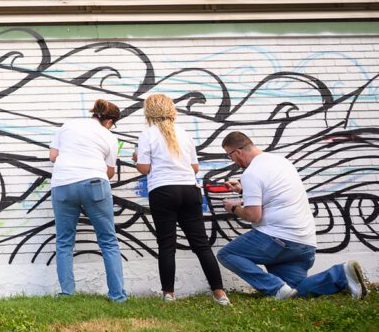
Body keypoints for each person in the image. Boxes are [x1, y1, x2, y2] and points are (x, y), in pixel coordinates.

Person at [217, 131, 368, 300]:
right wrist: (243, 190)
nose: (232, 161)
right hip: (304, 243)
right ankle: (341, 274)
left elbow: (253, 215)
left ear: (238, 152)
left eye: (229, 156)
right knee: (293, 292)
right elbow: (274, 193)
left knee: (227, 255)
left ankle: (275, 289)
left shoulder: (251, 173)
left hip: (278, 240)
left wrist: (233, 208)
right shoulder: (281, 162)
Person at [134, 94, 228, 304]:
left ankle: (169, 294)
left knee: (167, 245)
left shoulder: (147, 134)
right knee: (201, 244)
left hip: (163, 191)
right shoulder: (184, 133)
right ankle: (219, 293)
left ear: (149, 112)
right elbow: (195, 168)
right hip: (189, 190)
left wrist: (136, 159)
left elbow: (144, 168)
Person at [49, 99, 127, 302]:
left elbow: (53, 156)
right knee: (108, 241)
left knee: (64, 241)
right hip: (94, 183)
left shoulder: (68, 126)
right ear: (109, 121)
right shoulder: (108, 136)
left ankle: (67, 294)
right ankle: (117, 296)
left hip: (63, 183)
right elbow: (109, 172)